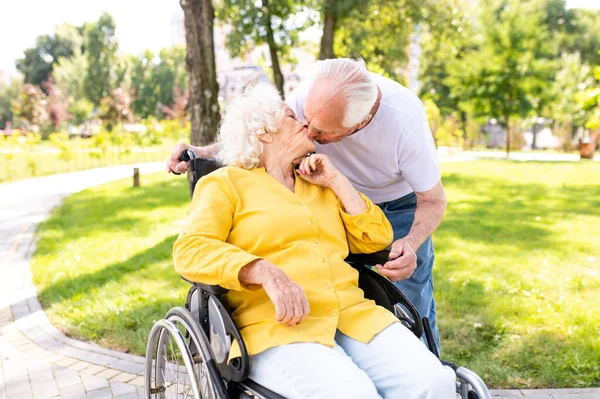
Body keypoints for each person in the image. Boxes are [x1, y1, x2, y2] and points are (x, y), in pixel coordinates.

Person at [173, 84, 455, 399]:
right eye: (293, 117)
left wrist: (337, 181)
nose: (307, 124)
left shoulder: (320, 183)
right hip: (279, 327)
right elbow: (191, 250)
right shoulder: (224, 184)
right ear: (264, 132)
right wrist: (264, 271)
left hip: (353, 315)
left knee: (436, 384)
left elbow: (378, 238)